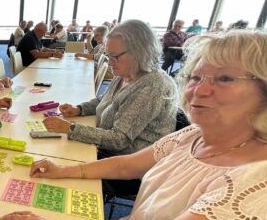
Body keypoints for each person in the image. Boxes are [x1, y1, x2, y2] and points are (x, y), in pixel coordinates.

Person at [0, 29, 267, 220]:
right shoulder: (195, 135)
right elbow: (127, 165)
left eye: (224, 79)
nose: (199, 90)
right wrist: (63, 171)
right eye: (196, 78)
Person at [44, 19, 177, 160]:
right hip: (107, 152)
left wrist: (71, 129)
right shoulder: (127, 71)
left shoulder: (153, 86)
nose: (110, 62)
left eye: (115, 57)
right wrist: (79, 109)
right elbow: (105, 99)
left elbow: (119, 139)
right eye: (108, 55)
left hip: (126, 165)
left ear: (139, 52)